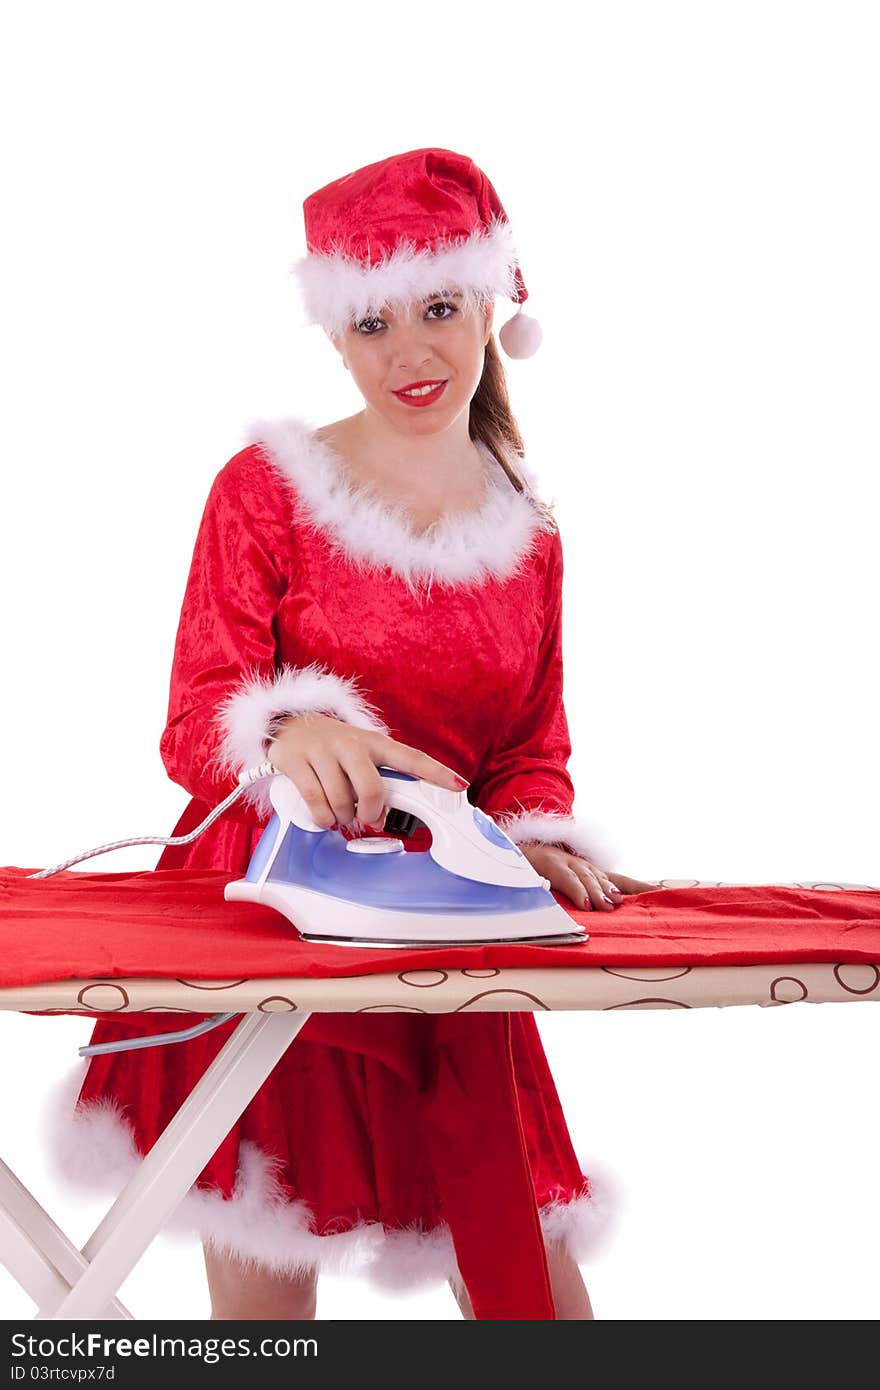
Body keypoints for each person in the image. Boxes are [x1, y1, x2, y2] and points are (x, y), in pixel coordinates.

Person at [47, 147, 656, 1320]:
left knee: (525, 1271)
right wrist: (288, 734)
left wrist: (527, 835)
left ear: (493, 303)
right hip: (275, 907)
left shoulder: (527, 536)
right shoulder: (264, 492)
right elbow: (195, 722)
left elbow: (530, 739)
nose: (411, 354)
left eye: (438, 310)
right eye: (372, 323)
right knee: (271, 1266)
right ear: (334, 334)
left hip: (441, 915)